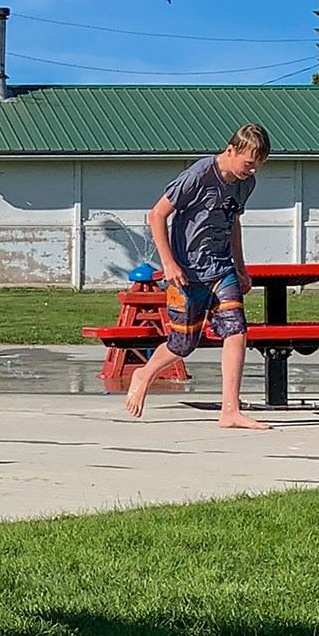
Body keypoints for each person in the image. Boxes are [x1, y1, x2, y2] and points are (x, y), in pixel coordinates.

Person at [124, 123, 270, 431]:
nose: (252, 171)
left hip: (221, 268)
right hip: (186, 273)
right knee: (182, 344)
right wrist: (169, 262)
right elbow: (157, 214)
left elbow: (233, 223)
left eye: (258, 166)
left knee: (236, 330)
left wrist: (241, 268)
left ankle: (230, 410)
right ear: (231, 150)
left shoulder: (246, 184)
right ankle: (145, 373)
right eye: (248, 164)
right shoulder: (200, 174)